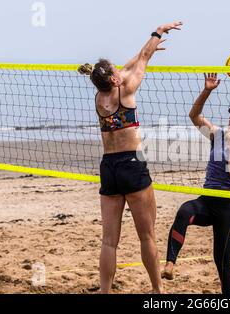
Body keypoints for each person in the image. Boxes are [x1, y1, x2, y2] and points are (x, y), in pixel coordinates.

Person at [78, 21, 183, 294]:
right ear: (114, 79)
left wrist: (146, 49)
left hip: (109, 166)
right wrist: (158, 32)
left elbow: (131, 63)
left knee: (109, 241)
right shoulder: (126, 90)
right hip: (131, 164)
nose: (119, 70)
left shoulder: (99, 97)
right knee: (146, 235)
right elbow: (140, 62)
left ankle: (105, 291)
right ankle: (158, 290)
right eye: (114, 71)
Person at [162, 73, 230, 294]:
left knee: (222, 262)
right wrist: (207, 90)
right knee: (184, 211)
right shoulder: (217, 135)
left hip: (228, 209)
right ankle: (170, 264)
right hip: (208, 201)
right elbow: (194, 116)